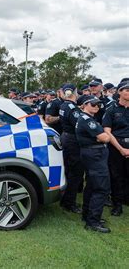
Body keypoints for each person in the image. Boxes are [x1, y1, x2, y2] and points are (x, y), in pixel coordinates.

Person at [75, 95, 111, 233]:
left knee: (91, 185)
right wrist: (103, 136)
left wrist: (101, 136)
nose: (96, 106)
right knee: (101, 188)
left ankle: (87, 216)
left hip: (91, 154)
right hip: (95, 155)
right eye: (93, 104)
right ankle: (93, 222)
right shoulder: (87, 120)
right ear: (84, 105)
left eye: (98, 104)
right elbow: (105, 138)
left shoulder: (87, 119)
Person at [102, 81, 129, 216]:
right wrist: (120, 149)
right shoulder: (111, 109)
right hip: (116, 147)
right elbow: (107, 131)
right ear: (119, 92)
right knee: (116, 176)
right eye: (127, 90)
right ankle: (117, 204)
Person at [58, 84, 84, 213]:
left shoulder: (64, 105)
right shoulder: (72, 108)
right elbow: (80, 125)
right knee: (75, 173)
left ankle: (66, 199)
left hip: (66, 138)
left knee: (69, 171)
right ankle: (69, 203)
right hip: (73, 141)